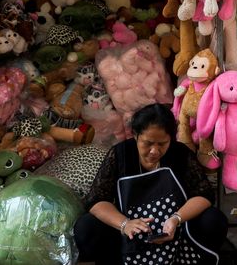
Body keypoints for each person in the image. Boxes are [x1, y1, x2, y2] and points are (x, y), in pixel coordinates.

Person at [75, 103, 228, 265]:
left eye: (162, 144)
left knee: (213, 219)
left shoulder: (180, 153)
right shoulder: (121, 154)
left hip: (178, 232)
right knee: (86, 227)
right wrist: (125, 224)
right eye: (148, 143)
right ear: (135, 136)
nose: (154, 151)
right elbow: (96, 200)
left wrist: (176, 219)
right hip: (129, 234)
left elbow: (204, 195)